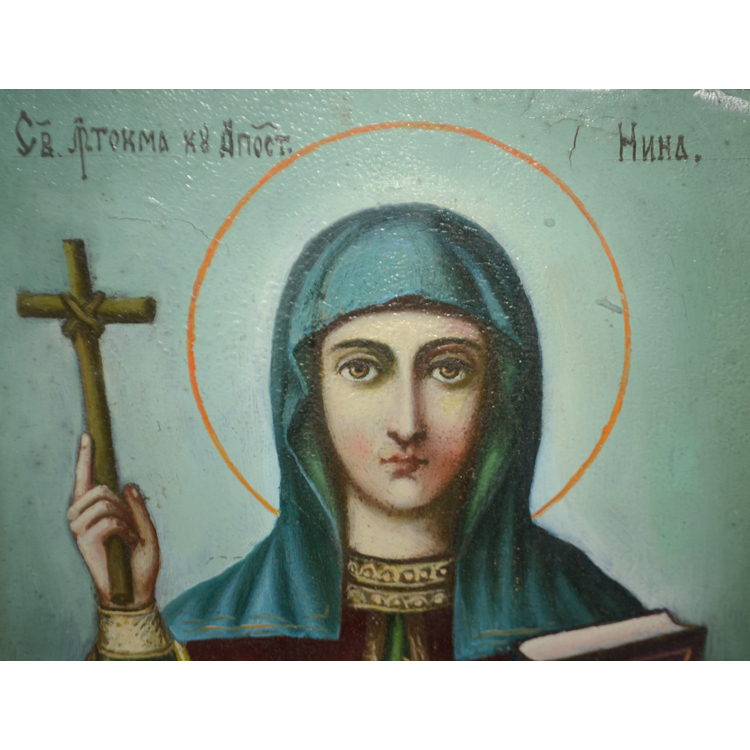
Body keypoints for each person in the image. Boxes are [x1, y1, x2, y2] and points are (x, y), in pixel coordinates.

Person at [68, 203, 644, 660]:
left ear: (500, 394)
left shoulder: (594, 623)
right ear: (307, 395)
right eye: (363, 369)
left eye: (449, 370)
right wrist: (130, 614)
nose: (407, 424)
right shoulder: (215, 627)